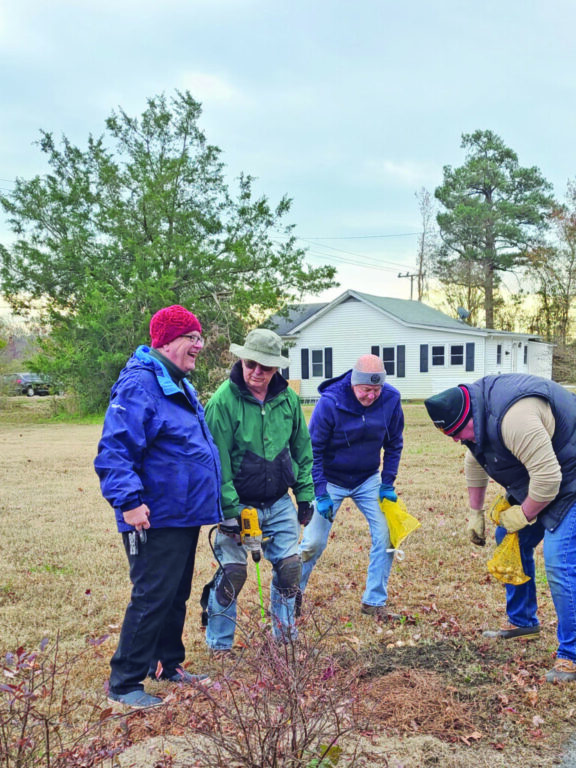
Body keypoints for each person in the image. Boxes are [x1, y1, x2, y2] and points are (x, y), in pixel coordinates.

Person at [94, 305, 222, 708]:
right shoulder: (140, 384)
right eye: (192, 337)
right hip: (153, 514)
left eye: (200, 338)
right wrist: (129, 503)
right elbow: (115, 450)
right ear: (166, 340)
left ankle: (167, 663)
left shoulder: (175, 382)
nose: (199, 345)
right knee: (152, 595)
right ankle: (125, 683)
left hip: (182, 512)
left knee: (174, 594)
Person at [424, 374, 576, 683]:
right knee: (506, 536)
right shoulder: (474, 418)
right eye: (449, 435)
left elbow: (548, 481)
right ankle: (523, 621)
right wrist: (474, 513)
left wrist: (523, 514)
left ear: (469, 414)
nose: (456, 439)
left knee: (559, 561)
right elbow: (474, 460)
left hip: (568, 474)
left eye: (457, 432)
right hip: (546, 471)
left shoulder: (515, 419)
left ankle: (572, 654)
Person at [202, 328, 314, 652]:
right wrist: (230, 512)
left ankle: (285, 641)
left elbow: (302, 450)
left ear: (276, 368)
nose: (256, 373)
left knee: (291, 569)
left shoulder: (289, 400)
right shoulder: (222, 402)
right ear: (242, 359)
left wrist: (305, 494)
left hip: (278, 501)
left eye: (265, 368)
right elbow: (217, 464)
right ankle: (220, 646)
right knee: (234, 573)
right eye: (251, 364)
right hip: (239, 503)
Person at [298, 354, 404, 617]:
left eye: (376, 390)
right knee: (313, 543)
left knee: (387, 535)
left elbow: (394, 443)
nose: (371, 396)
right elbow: (314, 450)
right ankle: (290, 595)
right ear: (354, 383)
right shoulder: (330, 402)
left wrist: (387, 483)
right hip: (331, 478)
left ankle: (374, 602)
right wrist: (320, 492)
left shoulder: (391, 399)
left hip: (368, 479)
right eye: (366, 390)